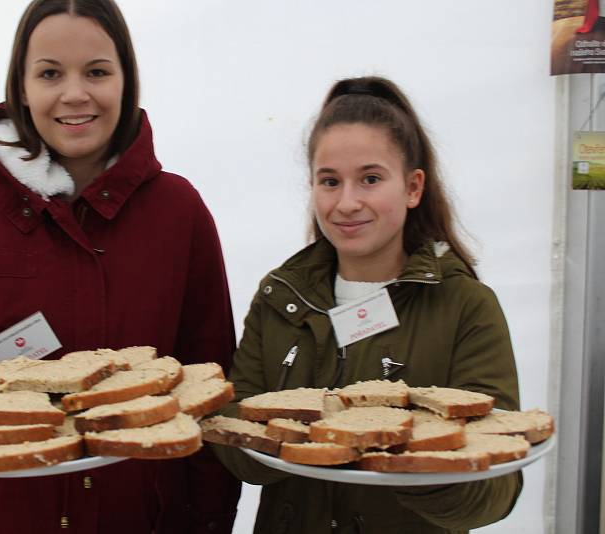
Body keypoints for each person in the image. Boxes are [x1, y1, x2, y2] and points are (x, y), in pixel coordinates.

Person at [0, 1, 240, 532]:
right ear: (21, 85)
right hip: (2, 515)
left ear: (127, 81)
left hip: (144, 515)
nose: (75, 94)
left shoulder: (180, 211)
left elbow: (211, 378)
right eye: (50, 73)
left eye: (98, 72)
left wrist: (211, 518)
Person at [211, 76, 522, 534]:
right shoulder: (278, 299)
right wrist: (275, 441)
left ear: (413, 187)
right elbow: (240, 439)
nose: (347, 202)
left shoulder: (466, 306)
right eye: (330, 181)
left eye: (371, 179)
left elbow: (496, 488)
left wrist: (410, 460)